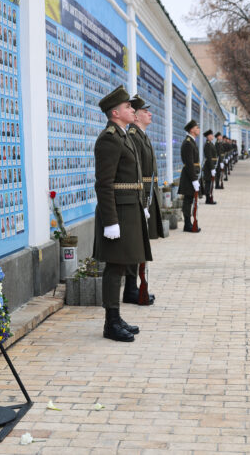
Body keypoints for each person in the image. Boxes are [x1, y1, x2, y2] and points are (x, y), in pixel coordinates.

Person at [93, 86, 151, 342]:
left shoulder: (124, 136)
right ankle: (110, 322)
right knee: (114, 267)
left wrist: (142, 205)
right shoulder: (109, 138)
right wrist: (110, 221)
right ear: (115, 112)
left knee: (122, 264)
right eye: (128, 107)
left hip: (129, 211)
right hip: (117, 213)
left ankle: (116, 317)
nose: (132, 110)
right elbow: (104, 183)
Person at [124, 95, 164, 306]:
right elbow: (136, 173)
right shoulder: (134, 136)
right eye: (145, 111)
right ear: (137, 115)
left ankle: (135, 287)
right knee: (136, 246)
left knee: (141, 245)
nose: (150, 113)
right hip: (141, 196)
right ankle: (131, 288)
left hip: (147, 195)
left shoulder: (141, 136)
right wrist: (143, 201)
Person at [179, 120, 201, 232]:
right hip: (189, 176)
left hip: (191, 175)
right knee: (188, 200)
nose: (199, 129)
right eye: (197, 127)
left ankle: (189, 223)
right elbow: (189, 163)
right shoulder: (188, 142)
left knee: (190, 199)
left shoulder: (191, 141)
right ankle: (187, 224)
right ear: (192, 130)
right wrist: (194, 180)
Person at [202, 129, 217, 204]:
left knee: (210, 183)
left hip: (211, 166)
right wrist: (212, 168)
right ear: (208, 136)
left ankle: (209, 198)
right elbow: (209, 157)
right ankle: (208, 199)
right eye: (211, 135)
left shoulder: (211, 144)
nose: (212, 136)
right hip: (208, 167)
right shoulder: (207, 145)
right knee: (208, 183)